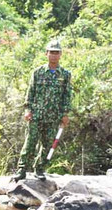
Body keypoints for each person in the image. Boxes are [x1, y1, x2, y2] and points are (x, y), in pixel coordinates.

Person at [11, 40, 72, 181]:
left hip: (53, 117)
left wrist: (65, 114)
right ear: (46, 54)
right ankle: (21, 170)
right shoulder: (37, 72)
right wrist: (27, 109)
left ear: (60, 55)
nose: (54, 55)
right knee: (30, 143)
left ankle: (40, 169)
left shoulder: (65, 74)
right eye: (51, 52)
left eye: (57, 53)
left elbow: (67, 95)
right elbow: (30, 92)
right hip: (36, 115)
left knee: (48, 145)